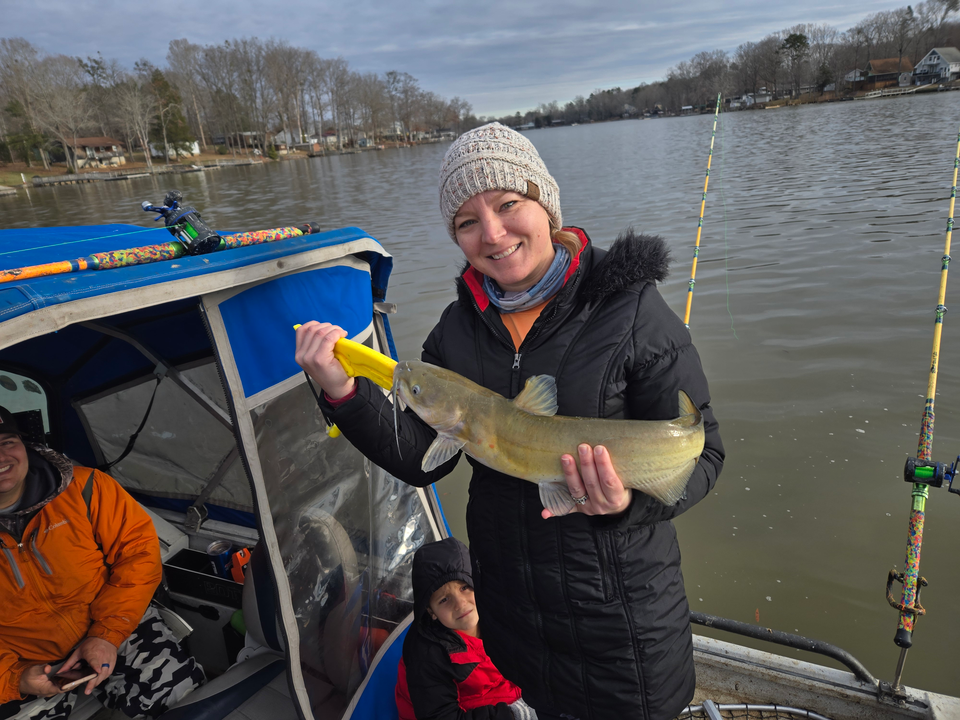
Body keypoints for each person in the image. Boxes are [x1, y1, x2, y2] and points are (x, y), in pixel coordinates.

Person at [295, 122, 725, 720]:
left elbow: (704, 456)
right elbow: (418, 458)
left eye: (507, 205)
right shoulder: (455, 330)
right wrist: (342, 393)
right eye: (467, 222)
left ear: (545, 205)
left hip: (623, 627)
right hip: (513, 619)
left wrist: (625, 505)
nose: (492, 234)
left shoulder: (631, 310)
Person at [0, 407, 205, 720]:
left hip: (116, 628)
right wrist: (16, 679)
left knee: (190, 701)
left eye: (7, 442)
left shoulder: (85, 489)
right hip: (26, 663)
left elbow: (138, 554)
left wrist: (106, 635)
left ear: (24, 445)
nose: (2, 457)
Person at [395, 537, 536, 720]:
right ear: (431, 611)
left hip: (499, 696)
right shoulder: (427, 654)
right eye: (444, 600)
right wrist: (513, 714)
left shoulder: (497, 610)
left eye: (464, 587)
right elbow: (440, 716)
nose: (460, 604)